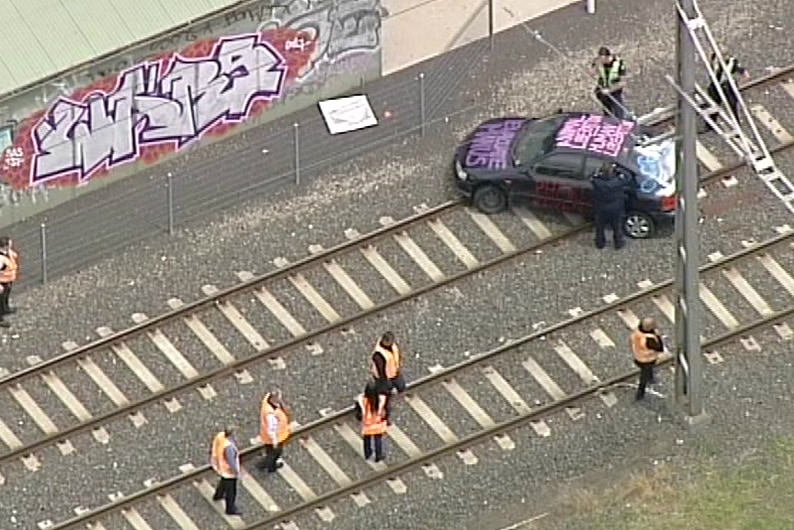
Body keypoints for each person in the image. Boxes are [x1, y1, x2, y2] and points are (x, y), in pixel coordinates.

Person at [590, 162, 628, 250]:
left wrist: (596, 172)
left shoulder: (597, 182)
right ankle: (618, 243)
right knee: (617, 227)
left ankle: (600, 243)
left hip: (601, 209)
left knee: (600, 227)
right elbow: (627, 177)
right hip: (616, 209)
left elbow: (591, 177)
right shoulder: (618, 181)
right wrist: (619, 169)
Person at [706, 52, 749, 126]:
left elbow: (744, 72)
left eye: (725, 55)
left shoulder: (732, 62)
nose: (724, 57)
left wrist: (740, 83)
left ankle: (736, 124)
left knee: (732, 104)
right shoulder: (714, 58)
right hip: (715, 85)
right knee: (714, 103)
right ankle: (710, 123)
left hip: (727, 85)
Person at [210, 427, 242, 516]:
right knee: (231, 491)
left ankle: (218, 495)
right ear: (231, 435)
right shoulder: (229, 447)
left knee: (223, 483)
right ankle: (230, 509)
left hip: (220, 466)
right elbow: (231, 462)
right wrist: (237, 472)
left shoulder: (220, 437)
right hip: (228, 471)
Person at [630, 317, 664, 401]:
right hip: (646, 360)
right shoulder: (649, 339)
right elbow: (659, 348)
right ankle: (640, 394)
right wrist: (658, 336)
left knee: (648, 371)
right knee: (644, 376)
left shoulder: (638, 332)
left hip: (638, 355)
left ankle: (650, 377)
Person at [354, 381, 389, 462]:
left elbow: (358, 411)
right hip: (378, 423)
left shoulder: (362, 400)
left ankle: (368, 454)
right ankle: (378, 456)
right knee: (378, 439)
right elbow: (387, 409)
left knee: (366, 439)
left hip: (367, 423)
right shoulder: (381, 399)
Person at [258, 390, 291, 473]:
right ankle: (270, 467)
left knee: (269, 451)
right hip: (276, 437)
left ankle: (265, 464)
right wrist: (275, 441)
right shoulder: (271, 414)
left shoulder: (266, 401)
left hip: (266, 435)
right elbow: (271, 428)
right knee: (275, 453)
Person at [590, 47, 628, 120]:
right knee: (607, 111)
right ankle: (609, 121)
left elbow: (623, 82)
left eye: (603, 60)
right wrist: (595, 65)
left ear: (608, 57)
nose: (602, 62)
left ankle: (620, 123)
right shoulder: (598, 62)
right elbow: (592, 73)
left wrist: (610, 90)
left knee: (619, 111)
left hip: (615, 91)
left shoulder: (619, 64)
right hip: (602, 91)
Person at [370, 331, 406, 395]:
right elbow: (381, 370)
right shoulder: (379, 354)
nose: (392, 343)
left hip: (395, 372)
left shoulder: (393, 345)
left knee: (401, 386)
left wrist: (399, 365)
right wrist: (385, 380)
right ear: (385, 342)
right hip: (383, 377)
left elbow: (397, 354)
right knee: (384, 390)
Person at [0, 237, 19, 328]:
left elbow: (13, 257)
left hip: (8, 281)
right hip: (2, 282)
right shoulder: (0, 259)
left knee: (5, 297)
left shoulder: (7, 253)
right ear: (5, 246)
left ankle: (5, 308)